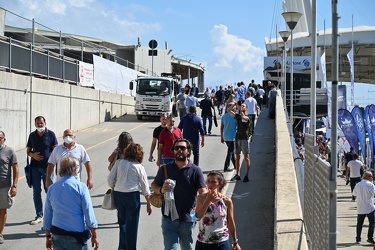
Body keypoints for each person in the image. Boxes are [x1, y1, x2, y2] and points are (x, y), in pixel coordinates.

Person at [151, 138, 207, 250]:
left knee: (187, 248)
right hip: (168, 219)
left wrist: (202, 204)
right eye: (177, 148)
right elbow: (154, 185)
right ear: (173, 151)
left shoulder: (195, 170)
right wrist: (161, 190)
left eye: (182, 148)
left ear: (188, 151)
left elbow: (203, 191)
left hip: (187, 219)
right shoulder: (165, 169)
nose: (179, 150)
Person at [43, 157, 99, 250]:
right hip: (76, 237)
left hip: (58, 235)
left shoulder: (52, 188)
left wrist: (48, 236)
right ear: (74, 169)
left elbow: (48, 214)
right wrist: (94, 235)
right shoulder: (81, 187)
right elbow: (88, 212)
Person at [108, 143, 152, 250]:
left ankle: (122, 247)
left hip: (119, 195)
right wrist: (148, 202)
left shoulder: (118, 163)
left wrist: (115, 186)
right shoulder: (139, 167)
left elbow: (110, 179)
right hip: (132, 196)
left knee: (122, 223)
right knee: (132, 225)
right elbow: (145, 187)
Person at [195, 171, 241, 250]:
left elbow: (230, 222)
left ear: (220, 184)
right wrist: (208, 200)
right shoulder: (201, 198)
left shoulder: (226, 201)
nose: (210, 185)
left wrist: (235, 241)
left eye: (213, 182)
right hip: (203, 242)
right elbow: (198, 217)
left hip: (221, 242)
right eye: (208, 181)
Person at [26, 116, 58, 225]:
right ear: (35, 124)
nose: (40, 125)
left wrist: (56, 166)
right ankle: (39, 215)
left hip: (47, 168)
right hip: (35, 168)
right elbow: (28, 150)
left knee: (49, 191)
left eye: (41, 123)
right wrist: (32, 155)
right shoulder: (32, 135)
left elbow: (56, 150)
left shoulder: (51, 134)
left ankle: (52, 214)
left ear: (45, 123)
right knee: (36, 192)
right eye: (38, 123)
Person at [0, 131, 18, 244]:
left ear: (4, 139)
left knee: (2, 209)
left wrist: (14, 186)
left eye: (0, 138)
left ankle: (0, 233)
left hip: (4, 186)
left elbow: (16, 169)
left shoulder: (9, 151)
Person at [228, 102, 252, 182]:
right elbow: (229, 110)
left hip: (244, 138)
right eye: (241, 105)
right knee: (237, 157)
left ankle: (246, 175)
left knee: (246, 157)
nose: (242, 106)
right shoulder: (237, 116)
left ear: (246, 108)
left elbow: (244, 117)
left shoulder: (249, 117)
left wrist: (241, 110)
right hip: (238, 137)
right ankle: (237, 174)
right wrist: (234, 104)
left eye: (243, 106)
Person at [353, 171, 375, 244]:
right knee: (372, 222)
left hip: (360, 207)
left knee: (359, 223)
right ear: (368, 177)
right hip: (370, 207)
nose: (372, 178)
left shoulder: (358, 184)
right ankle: (370, 238)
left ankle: (358, 238)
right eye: (371, 176)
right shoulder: (371, 185)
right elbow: (373, 194)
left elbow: (354, 194)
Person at [221, 103, 237, 172]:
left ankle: (235, 165)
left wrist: (221, 136)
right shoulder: (235, 117)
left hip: (226, 136)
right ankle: (226, 166)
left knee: (231, 151)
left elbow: (222, 127)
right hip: (233, 136)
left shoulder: (224, 116)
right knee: (230, 152)